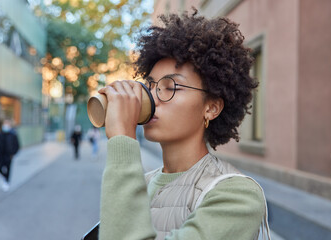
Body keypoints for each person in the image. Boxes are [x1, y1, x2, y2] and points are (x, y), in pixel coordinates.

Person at [97, 10, 270, 240]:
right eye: (150, 86)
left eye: (172, 88)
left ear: (211, 108)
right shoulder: (142, 182)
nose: (152, 98)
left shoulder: (236, 195)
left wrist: (123, 140)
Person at [0, 119, 20, 192]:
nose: (5, 126)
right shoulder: (0, 134)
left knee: (8, 168)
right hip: (1, 154)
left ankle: (7, 181)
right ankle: (5, 178)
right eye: (5, 124)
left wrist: (13, 153)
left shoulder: (13, 135)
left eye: (7, 124)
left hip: (9, 155)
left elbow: (17, 145)